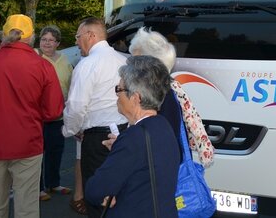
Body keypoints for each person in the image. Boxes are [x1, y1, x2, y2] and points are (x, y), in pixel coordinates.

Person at [0, 14, 65, 218]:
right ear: (31, 36)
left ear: (3, 35)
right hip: (28, 143)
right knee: (27, 207)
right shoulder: (43, 66)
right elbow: (53, 111)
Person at [85, 56, 180, 217]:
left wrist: (123, 146)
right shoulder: (163, 126)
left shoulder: (134, 138)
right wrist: (120, 147)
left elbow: (95, 190)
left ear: (136, 98)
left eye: (119, 89)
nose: (116, 95)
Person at [62, 17, 129, 218]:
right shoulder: (124, 60)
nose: (75, 41)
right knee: (119, 193)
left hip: (97, 139)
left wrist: (70, 130)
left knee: (97, 196)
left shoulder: (87, 64)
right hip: (123, 133)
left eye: (78, 36)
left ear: (91, 36)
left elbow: (76, 106)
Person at [127, 27, 215, 167]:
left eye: (135, 61)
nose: (129, 65)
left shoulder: (163, 94)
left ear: (152, 65)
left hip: (161, 169)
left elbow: (161, 140)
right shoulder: (168, 89)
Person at [35, 25, 74, 201]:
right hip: (38, 115)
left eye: (51, 40)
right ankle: (38, 188)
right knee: (37, 154)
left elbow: (71, 84)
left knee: (55, 150)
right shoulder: (33, 57)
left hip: (59, 114)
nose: (47, 43)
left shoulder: (65, 60)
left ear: (58, 43)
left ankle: (53, 183)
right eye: (44, 39)